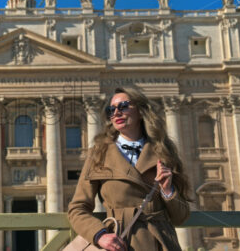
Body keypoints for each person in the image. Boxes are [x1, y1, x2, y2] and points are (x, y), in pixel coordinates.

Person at [68, 87, 191, 251]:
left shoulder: (163, 152)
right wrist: (99, 235)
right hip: (121, 243)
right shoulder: (98, 154)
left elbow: (180, 217)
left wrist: (167, 190)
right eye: (111, 109)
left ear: (141, 111)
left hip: (161, 243)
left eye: (123, 106)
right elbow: (77, 209)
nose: (116, 113)